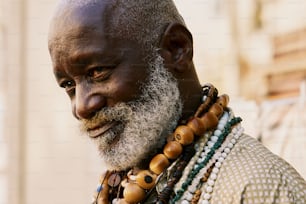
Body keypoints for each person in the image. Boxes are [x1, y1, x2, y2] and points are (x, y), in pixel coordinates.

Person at [48, 0, 306, 203]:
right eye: (69, 85)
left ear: (176, 49)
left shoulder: (257, 187)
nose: (81, 107)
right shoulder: (124, 183)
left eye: (97, 71)